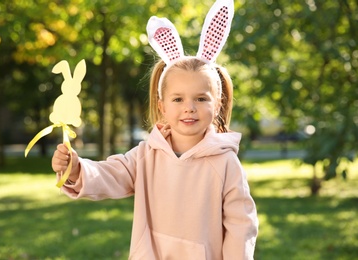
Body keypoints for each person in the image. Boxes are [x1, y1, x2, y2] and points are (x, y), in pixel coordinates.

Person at [52, 0, 258, 259]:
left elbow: (241, 225)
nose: (189, 108)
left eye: (201, 99)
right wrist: (76, 168)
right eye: (178, 99)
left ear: (217, 105)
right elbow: (111, 174)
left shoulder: (225, 163)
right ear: (162, 106)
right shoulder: (146, 155)